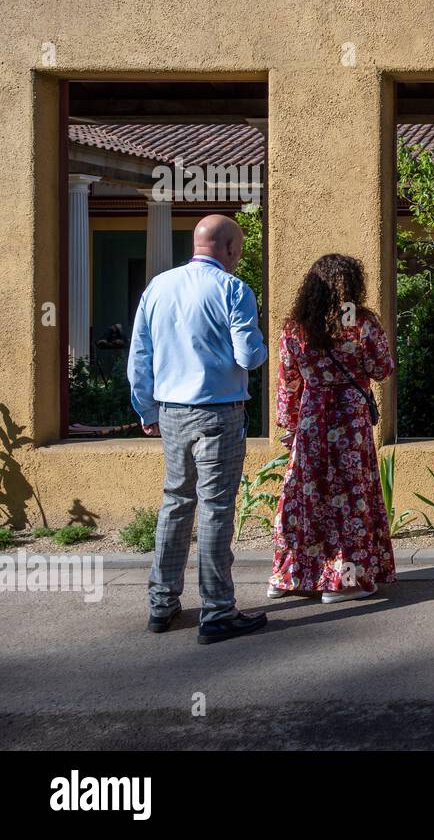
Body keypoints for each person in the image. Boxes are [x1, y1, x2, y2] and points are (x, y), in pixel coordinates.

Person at [128, 214, 269, 644]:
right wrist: (260, 346)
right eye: (238, 250)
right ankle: (217, 610)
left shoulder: (158, 287)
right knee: (215, 508)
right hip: (219, 412)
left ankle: (162, 603)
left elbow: (139, 356)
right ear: (228, 248)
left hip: (171, 411)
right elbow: (249, 357)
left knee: (175, 502)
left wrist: (146, 409)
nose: (238, 257)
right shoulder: (232, 289)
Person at [268, 254, 396, 604]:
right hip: (349, 420)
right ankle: (344, 582)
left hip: (311, 419)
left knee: (305, 495)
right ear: (354, 285)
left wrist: (290, 425)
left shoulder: (296, 326)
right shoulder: (361, 323)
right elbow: (382, 368)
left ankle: (288, 576)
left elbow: (288, 382)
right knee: (349, 497)